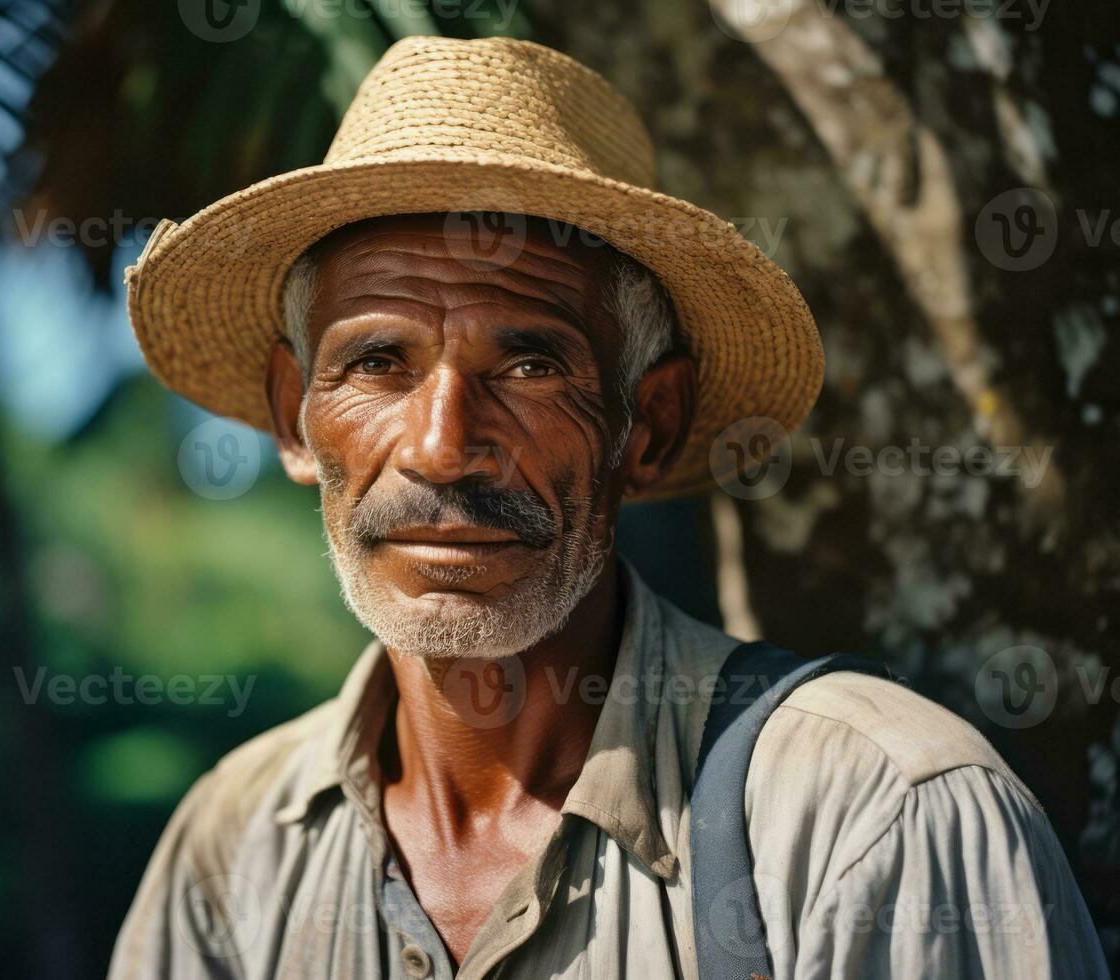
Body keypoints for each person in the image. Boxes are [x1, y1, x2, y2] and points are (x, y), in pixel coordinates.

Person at [109, 35, 1107, 980]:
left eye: (530, 363)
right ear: (295, 419)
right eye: (378, 362)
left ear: (649, 424)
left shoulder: (875, 814)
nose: (442, 445)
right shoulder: (229, 849)